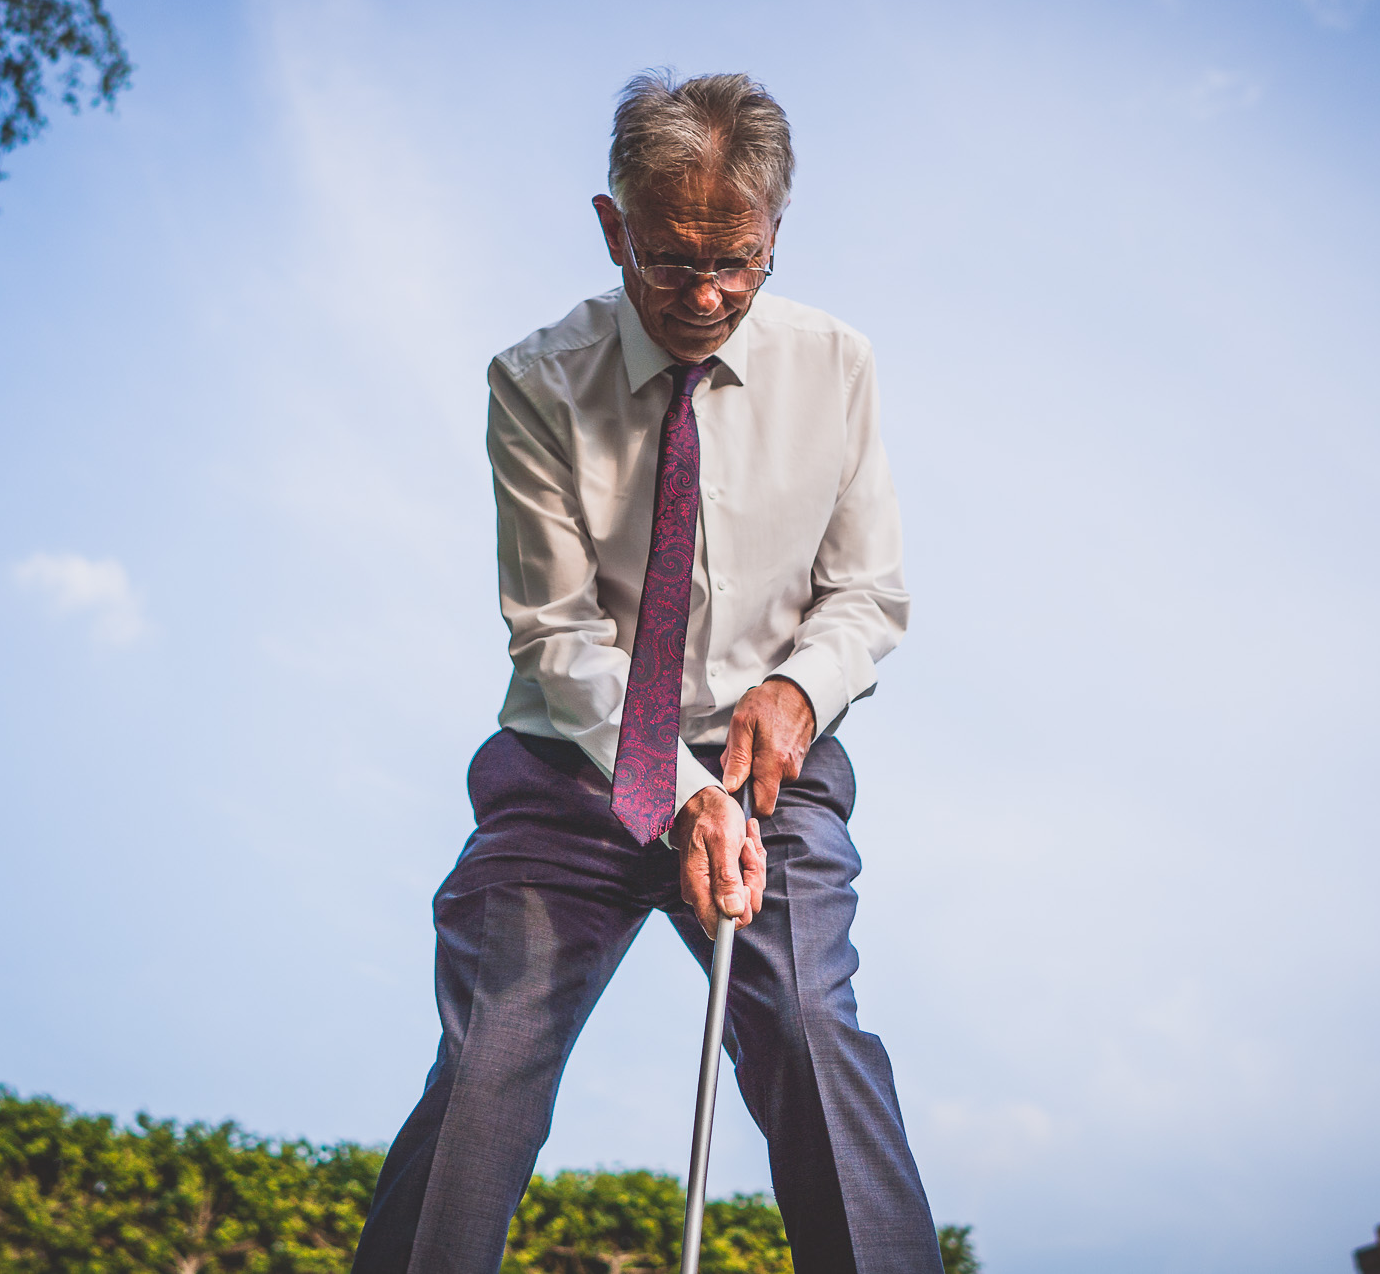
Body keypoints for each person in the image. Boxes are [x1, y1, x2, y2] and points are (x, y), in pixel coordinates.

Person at [350, 71, 942, 1274]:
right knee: (488, 1057)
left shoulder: (835, 365)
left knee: (812, 1028)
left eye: (739, 260)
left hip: (767, 764)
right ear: (613, 227)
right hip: (572, 770)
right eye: (672, 261)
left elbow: (867, 591)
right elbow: (555, 633)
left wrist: (799, 691)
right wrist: (675, 795)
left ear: (774, 235)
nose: (709, 293)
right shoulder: (533, 382)